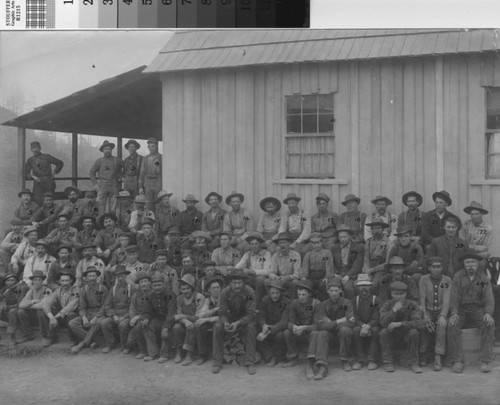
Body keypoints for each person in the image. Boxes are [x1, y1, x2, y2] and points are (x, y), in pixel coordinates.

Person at [447, 251, 495, 373]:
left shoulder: (483, 278)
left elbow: (489, 298)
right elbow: (454, 297)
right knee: (452, 325)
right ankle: (457, 360)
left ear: (478, 264)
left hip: (477, 309)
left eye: (473, 262)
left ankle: (485, 360)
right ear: (464, 264)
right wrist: (454, 313)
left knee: (489, 324)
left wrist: (488, 313)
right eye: (467, 262)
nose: (470, 265)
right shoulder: (458, 276)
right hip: (462, 309)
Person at [212, 268, 257, 374]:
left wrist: (239, 323)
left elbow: (251, 314)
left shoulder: (249, 292)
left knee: (250, 327)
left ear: (243, 282)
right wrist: (225, 322)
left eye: (239, 282)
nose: (237, 286)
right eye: (234, 283)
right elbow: (222, 313)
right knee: (217, 326)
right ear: (230, 283)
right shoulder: (224, 292)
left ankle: (250, 362)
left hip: (245, 318)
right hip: (230, 318)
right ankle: (217, 362)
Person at [310, 278, 355, 379]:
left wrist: (330, 324)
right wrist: (339, 321)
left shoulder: (346, 303)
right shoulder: (324, 305)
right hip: (329, 333)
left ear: (340, 291)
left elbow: (351, 321)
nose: (334, 293)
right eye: (331, 291)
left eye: (336, 290)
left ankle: (345, 360)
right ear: (327, 291)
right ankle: (322, 366)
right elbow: (321, 325)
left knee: (345, 330)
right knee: (321, 333)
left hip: (341, 332)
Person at [379, 281, 424, 373]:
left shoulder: (411, 305)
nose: (399, 296)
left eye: (402, 294)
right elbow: (382, 322)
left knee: (414, 333)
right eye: (396, 294)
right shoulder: (387, 304)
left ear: (406, 294)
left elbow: (418, 323)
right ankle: (388, 362)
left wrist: (400, 324)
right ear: (391, 294)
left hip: (406, 334)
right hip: (392, 335)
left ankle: (413, 363)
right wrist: (393, 311)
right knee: (383, 332)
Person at [418, 257, 451, 371]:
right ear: (429, 268)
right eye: (434, 267)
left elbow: (447, 300)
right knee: (423, 325)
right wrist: (425, 315)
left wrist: (443, 315)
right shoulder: (423, 279)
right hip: (427, 310)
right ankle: (423, 353)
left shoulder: (447, 280)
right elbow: (422, 298)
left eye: (439, 267)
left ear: (442, 268)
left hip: (441, 310)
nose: (436, 269)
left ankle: (438, 355)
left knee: (442, 325)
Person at [69, 266, 109, 354]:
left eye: (93, 276)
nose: (92, 278)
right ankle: (92, 340)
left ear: (97, 277)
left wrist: (96, 317)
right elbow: (82, 306)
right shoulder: (83, 289)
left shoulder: (102, 288)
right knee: (72, 323)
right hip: (88, 313)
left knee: (98, 322)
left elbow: (105, 306)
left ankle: (82, 344)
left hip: (100, 313)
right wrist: (83, 317)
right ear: (86, 278)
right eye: (89, 276)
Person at [282, 280, 320, 370]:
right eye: (299, 294)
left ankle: (311, 360)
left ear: (310, 294)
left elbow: (318, 325)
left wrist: (305, 327)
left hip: (311, 331)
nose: (301, 297)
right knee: (287, 332)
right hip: (299, 330)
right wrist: (294, 327)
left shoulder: (316, 304)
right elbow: (290, 321)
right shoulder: (294, 303)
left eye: (304, 295)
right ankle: (293, 357)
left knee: (315, 333)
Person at [98, 265, 134, 354]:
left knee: (122, 325)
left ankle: (125, 346)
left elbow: (133, 306)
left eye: (122, 276)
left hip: (127, 315)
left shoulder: (131, 288)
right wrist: (113, 315)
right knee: (104, 322)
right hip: (115, 314)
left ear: (126, 276)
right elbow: (107, 305)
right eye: (118, 276)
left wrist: (124, 317)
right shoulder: (113, 289)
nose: (120, 278)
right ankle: (110, 343)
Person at [351, 274, 382, 371]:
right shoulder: (354, 300)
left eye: (366, 285)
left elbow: (377, 317)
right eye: (361, 286)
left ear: (370, 286)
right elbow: (353, 317)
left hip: (373, 325)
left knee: (376, 330)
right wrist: (362, 325)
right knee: (355, 330)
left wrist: (368, 326)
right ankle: (359, 359)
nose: (364, 288)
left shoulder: (376, 300)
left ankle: (372, 359)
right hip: (360, 325)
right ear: (357, 287)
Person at [172, 274, 205, 365]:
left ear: (192, 288)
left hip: (197, 322)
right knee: (176, 327)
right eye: (183, 289)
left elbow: (198, 316)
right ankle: (178, 352)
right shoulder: (179, 299)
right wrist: (184, 320)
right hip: (184, 323)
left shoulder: (198, 298)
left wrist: (185, 317)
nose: (185, 291)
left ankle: (189, 354)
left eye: (187, 288)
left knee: (191, 327)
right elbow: (178, 315)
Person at [256, 279, 290, 366]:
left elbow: (284, 322)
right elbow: (261, 316)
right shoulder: (265, 300)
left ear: (281, 293)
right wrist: (264, 325)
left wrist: (270, 328)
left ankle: (280, 358)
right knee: (256, 334)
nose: (275, 296)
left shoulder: (286, 302)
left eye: (277, 293)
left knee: (280, 336)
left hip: (279, 328)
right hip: (266, 327)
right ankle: (270, 357)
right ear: (269, 292)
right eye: (272, 293)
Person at [42, 272, 80, 347]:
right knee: (45, 312)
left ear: (71, 281)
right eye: (63, 281)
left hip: (73, 315)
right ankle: (53, 337)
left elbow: (70, 307)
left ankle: (74, 338)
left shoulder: (76, 291)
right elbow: (47, 304)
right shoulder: (58, 291)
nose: (65, 283)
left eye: (67, 280)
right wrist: (51, 317)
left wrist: (54, 318)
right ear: (59, 281)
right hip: (61, 317)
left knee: (71, 314)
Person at [147, 274, 177, 363]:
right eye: (155, 285)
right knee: (148, 325)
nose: (157, 287)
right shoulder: (151, 295)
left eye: (159, 285)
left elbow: (171, 313)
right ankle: (153, 353)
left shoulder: (170, 294)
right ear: (151, 286)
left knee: (166, 331)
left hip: (170, 320)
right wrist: (146, 318)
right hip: (158, 319)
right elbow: (149, 310)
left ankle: (164, 354)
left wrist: (166, 326)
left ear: (164, 284)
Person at [235, 232, 272, 305]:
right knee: (237, 276)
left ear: (260, 244)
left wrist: (253, 271)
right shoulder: (248, 254)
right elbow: (238, 266)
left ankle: (256, 304)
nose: (254, 246)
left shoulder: (266, 254)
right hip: (250, 277)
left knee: (259, 279)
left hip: (261, 277)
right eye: (252, 244)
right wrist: (240, 270)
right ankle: (239, 302)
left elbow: (267, 271)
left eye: (256, 244)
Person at [195, 275, 224, 365]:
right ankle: (203, 354)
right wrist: (214, 310)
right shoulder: (207, 301)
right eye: (213, 288)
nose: (216, 290)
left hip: (222, 321)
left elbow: (226, 315)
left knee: (217, 326)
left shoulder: (225, 299)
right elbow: (201, 315)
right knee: (200, 326)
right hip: (211, 320)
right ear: (209, 290)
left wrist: (208, 319)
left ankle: (217, 358)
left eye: (218, 287)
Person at [24, 141, 64, 205]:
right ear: (31, 149)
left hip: (49, 182)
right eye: (33, 148)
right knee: (38, 202)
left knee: (49, 201)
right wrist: (33, 176)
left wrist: (54, 172)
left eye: (37, 148)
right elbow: (25, 173)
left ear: (40, 148)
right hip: (38, 184)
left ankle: (50, 214)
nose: (35, 150)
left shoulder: (47, 157)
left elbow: (60, 163)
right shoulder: (30, 160)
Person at [18, 270, 53, 342]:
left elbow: (43, 305)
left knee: (41, 311)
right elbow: (21, 305)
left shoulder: (47, 290)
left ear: (42, 281)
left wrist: (28, 305)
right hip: (34, 316)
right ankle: (28, 334)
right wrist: (32, 301)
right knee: (20, 311)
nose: (37, 282)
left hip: (44, 317)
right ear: (32, 281)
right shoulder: (31, 291)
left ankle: (46, 335)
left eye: (39, 280)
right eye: (35, 280)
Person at [89, 140, 123, 214]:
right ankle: (99, 221)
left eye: (109, 149)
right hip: (102, 185)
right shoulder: (99, 161)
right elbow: (91, 172)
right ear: (103, 150)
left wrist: (121, 177)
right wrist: (95, 184)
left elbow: (127, 168)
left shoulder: (116, 160)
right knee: (99, 205)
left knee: (114, 206)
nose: (107, 151)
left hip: (114, 184)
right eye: (106, 149)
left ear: (111, 150)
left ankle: (113, 222)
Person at [331, 225, 364, 299]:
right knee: (329, 286)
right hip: (339, 273)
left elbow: (357, 265)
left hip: (351, 274)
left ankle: (349, 308)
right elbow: (332, 263)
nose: (342, 239)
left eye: (344, 237)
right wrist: (336, 273)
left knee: (348, 289)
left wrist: (348, 276)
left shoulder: (358, 247)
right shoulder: (334, 248)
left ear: (349, 236)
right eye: (340, 237)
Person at [300, 233, 334, 301]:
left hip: (323, 277)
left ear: (321, 242)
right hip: (311, 277)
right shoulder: (308, 255)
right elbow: (305, 268)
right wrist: (304, 277)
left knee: (323, 286)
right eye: (314, 243)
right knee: (305, 286)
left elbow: (329, 266)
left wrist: (327, 277)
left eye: (318, 243)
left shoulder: (327, 253)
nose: (316, 245)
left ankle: (322, 306)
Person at [129, 271, 153, 359]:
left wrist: (140, 317)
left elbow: (153, 311)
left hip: (151, 318)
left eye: (146, 281)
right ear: (138, 284)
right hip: (138, 320)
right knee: (130, 343)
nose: (144, 284)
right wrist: (134, 319)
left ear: (149, 282)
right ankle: (141, 349)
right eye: (141, 282)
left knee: (142, 327)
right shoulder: (135, 295)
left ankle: (144, 351)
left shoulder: (154, 293)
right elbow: (132, 310)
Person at [269, 233, 302, 298]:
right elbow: (271, 272)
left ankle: (292, 302)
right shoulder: (276, 255)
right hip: (279, 280)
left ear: (289, 243)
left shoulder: (296, 255)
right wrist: (276, 277)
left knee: (295, 282)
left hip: (290, 280)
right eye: (280, 243)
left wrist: (288, 277)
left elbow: (297, 274)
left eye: (284, 243)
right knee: (266, 281)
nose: (282, 245)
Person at [0, 272, 29, 345]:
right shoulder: (4, 290)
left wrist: (7, 307)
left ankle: (11, 335)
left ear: (16, 281)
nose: (10, 282)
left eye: (12, 280)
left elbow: (20, 304)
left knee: (12, 311)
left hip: (19, 311)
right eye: (8, 280)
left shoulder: (19, 289)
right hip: (7, 313)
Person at [362, 221, 390, 287]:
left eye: (379, 228)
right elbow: (366, 258)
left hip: (381, 269)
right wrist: (367, 271)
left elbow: (387, 263)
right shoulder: (368, 241)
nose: (377, 230)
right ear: (371, 230)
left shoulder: (388, 242)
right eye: (374, 228)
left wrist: (372, 270)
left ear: (383, 229)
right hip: (369, 269)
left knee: (374, 284)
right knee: (362, 284)